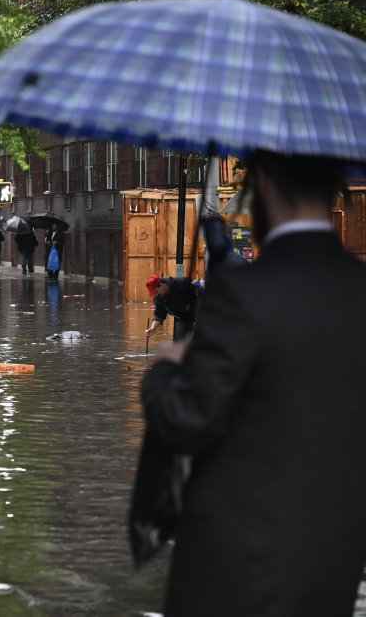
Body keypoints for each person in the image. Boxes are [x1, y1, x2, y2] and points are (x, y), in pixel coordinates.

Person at [139, 150, 366, 615]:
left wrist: (166, 369)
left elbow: (186, 419)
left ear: (262, 183)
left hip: (236, 562)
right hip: (335, 559)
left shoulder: (242, 293)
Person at [143, 273, 202, 339]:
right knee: (179, 342)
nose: (156, 294)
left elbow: (198, 291)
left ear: (161, 285)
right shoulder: (159, 298)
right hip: (182, 319)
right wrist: (153, 328)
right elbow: (159, 315)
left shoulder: (180, 283)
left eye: (156, 291)